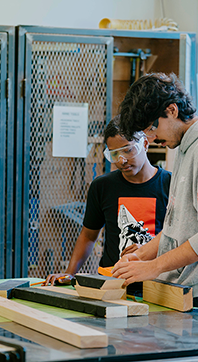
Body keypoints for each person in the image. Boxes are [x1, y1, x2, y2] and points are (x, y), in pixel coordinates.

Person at [111, 72, 198, 309]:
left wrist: (153, 267)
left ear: (172, 110)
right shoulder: (185, 146)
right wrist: (142, 256)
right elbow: (178, 227)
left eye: (152, 128)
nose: (151, 139)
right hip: (182, 287)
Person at [45, 115, 171, 286]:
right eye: (114, 154)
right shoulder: (103, 186)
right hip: (111, 281)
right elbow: (88, 236)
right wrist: (70, 273)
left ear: (145, 144)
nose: (122, 160)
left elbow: (178, 238)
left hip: (156, 283)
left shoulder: (170, 184)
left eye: (128, 150)